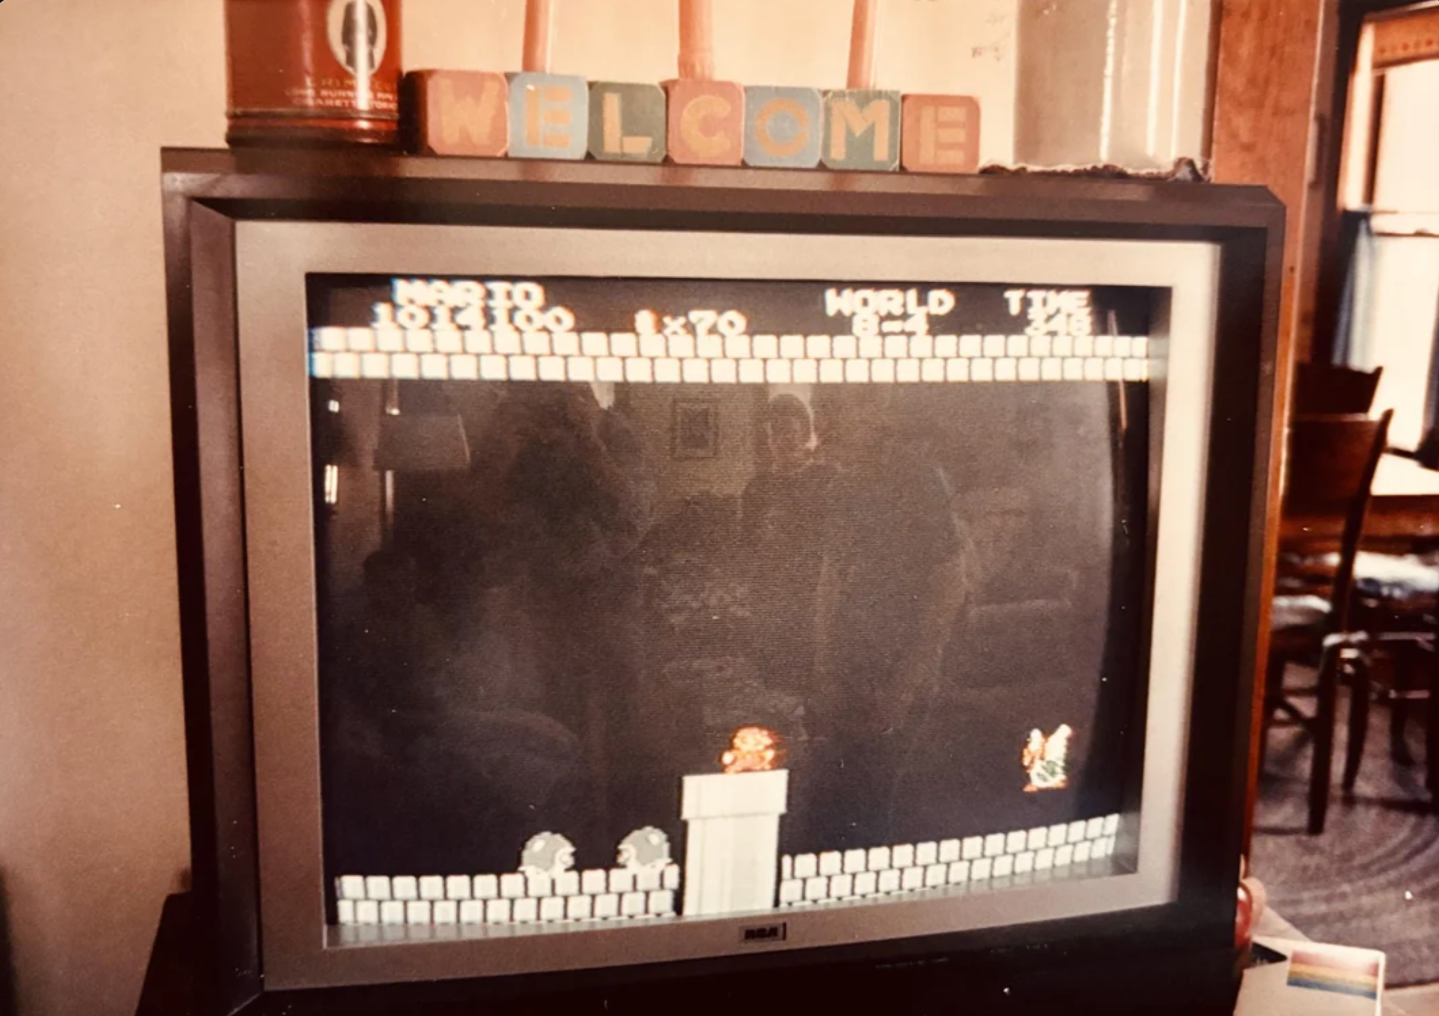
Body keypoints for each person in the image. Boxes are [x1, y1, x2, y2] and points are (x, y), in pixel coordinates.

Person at [801, 386, 971, 850]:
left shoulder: (917, 478)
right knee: (832, 801)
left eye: (833, 409)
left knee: (876, 805)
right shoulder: (840, 486)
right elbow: (831, 577)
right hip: (848, 669)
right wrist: (824, 668)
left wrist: (904, 687)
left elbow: (950, 585)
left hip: (897, 671)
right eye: (818, 410)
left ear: (873, 410)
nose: (821, 424)